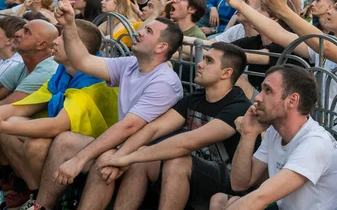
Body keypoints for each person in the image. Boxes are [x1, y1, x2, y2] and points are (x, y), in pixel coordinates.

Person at [29, 0, 184, 210]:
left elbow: (129, 126)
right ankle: (41, 207)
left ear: (161, 47)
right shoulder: (131, 63)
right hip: (125, 145)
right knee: (65, 141)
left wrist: (79, 160)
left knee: (105, 158)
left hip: (152, 156)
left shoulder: (163, 81)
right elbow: (83, 60)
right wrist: (70, 25)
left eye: (148, 31)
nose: (139, 31)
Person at [71, 43, 252, 210]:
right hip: (196, 171)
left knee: (177, 160)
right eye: (203, 58)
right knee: (141, 159)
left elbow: (188, 142)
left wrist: (126, 158)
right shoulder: (195, 98)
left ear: (226, 73)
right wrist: (120, 156)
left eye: (209, 61)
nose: (200, 64)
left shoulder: (238, 107)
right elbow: (153, 129)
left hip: (229, 181)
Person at [217, 0, 337, 135]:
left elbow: (325, 46)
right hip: (320, 131)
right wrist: (241, 6)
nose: (329, 11)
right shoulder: (323, 46)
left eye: (336, 8)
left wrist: (283, 11)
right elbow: (280, 33)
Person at [0, 20, 118, 208]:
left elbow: (57, 125)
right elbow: (21, 107)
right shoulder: (63, 70)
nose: (56, 41)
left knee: (34, 143)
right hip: (67, 140)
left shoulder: (95, 80)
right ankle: (37, 197)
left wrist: (4, 124)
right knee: (10, 127)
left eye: (63, 37)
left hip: (99, 147)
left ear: (78, 47)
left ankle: (54, 202)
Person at [210, 65, 337, 210]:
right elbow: (240, 183)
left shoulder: (315, 143)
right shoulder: (275, 132)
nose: (257, 97)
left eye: (268, 90)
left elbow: (260, 198)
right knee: (220, 200)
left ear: (292, 100)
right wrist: (248, 134)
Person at [0, 20, 58, 105]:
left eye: (26, 31)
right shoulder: (23, 66)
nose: (17, 33)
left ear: (41, 45)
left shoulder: (46, 72)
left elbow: (7, 105)